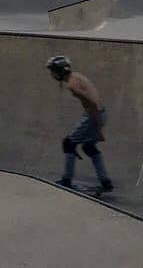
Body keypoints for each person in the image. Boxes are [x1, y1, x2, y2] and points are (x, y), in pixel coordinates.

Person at [46, 55, 113, 192]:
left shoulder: (72, 86)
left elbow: (93, 103)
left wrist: (98, 128)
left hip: (93, 116)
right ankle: (106, 182)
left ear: (59, 71)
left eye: (53, 71)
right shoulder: (76, 76)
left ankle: (66, 180)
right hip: (100, 113)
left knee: (68, 143)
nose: (51, 74)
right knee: (89, 147)